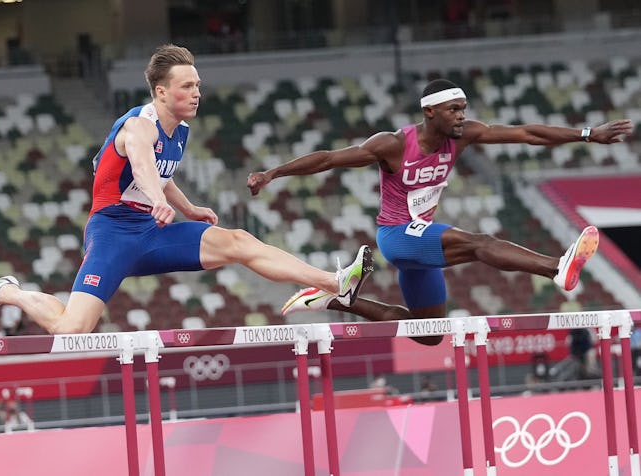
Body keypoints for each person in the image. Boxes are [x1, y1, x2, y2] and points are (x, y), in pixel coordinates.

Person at [0, 44, 373, 335]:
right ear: (160, 92)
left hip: (155, 230)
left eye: (197, 85)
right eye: (187, 86)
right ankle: (3, 290)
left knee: (239, 241)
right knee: (71, 328)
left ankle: (335, 283)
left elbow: (162, 174)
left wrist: (188, 208)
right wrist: (156, 200)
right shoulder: (138, 125)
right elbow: (140, 161)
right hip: (113, 232)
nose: (196, 93)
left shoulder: (180, 130)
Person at [247, 78, 633, 345]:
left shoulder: (464, 136)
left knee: (430, 332)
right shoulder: (393, 144)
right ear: (430, 112)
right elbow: (330, 158)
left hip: (421, 243)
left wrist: (586, 134)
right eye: (454, 110)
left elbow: (526, 134)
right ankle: (555, 267)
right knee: (480, 243)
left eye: (463, 109)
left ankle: (331, 299)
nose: (462, 117)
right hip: (397, 235)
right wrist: (273, 172)